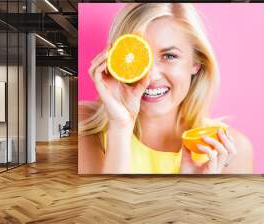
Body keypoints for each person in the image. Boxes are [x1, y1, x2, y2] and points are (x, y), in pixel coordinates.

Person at [79, 3, 253, 174]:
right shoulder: (83, 124)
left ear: (196, 63)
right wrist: (120, 127)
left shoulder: (230, 150)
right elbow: (108, 203)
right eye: (139, 58)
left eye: (169, 56)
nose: (151, 77)